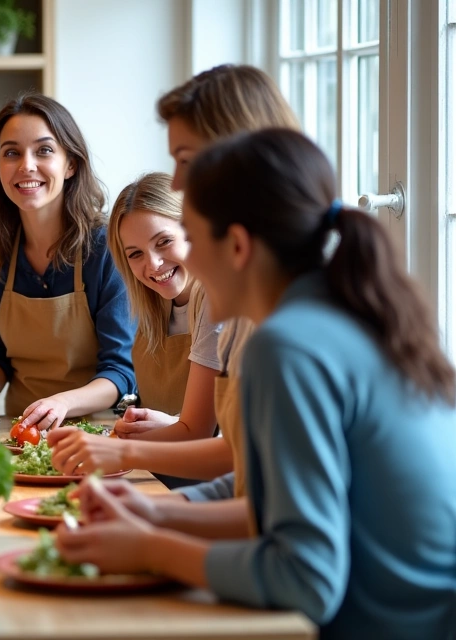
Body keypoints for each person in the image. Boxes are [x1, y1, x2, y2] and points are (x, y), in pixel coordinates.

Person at [54, 128, 456, 639]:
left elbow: (306, 581)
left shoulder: (286, 346)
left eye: (190, 240)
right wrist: (154, 512)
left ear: (238, 245)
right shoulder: (344, 312)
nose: (180, 265)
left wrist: (151, 546)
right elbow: (271, 488)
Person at [107, 64, 302, 504]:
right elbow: (244, 464)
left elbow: (241, 465)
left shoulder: (282, 301)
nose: (177, 182)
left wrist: (122, 453)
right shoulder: (243, 286)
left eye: (186, 162)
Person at [0, 93, 135, 426]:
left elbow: (120, 371)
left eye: (44, 150)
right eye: (11, 153)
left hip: (102, 434)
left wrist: (61, 403)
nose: (26, 165)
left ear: (71, 164)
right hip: (21, 431)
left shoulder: (106, 247)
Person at [49, 173, 232, 488]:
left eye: (164, 242)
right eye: (135, 254)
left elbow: (198, 432)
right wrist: (167, 423)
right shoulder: (150, 305)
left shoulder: (215, 298)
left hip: (208, 489)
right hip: (161, 478)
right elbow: (188, 423)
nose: (154, 264)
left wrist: (114, 448)